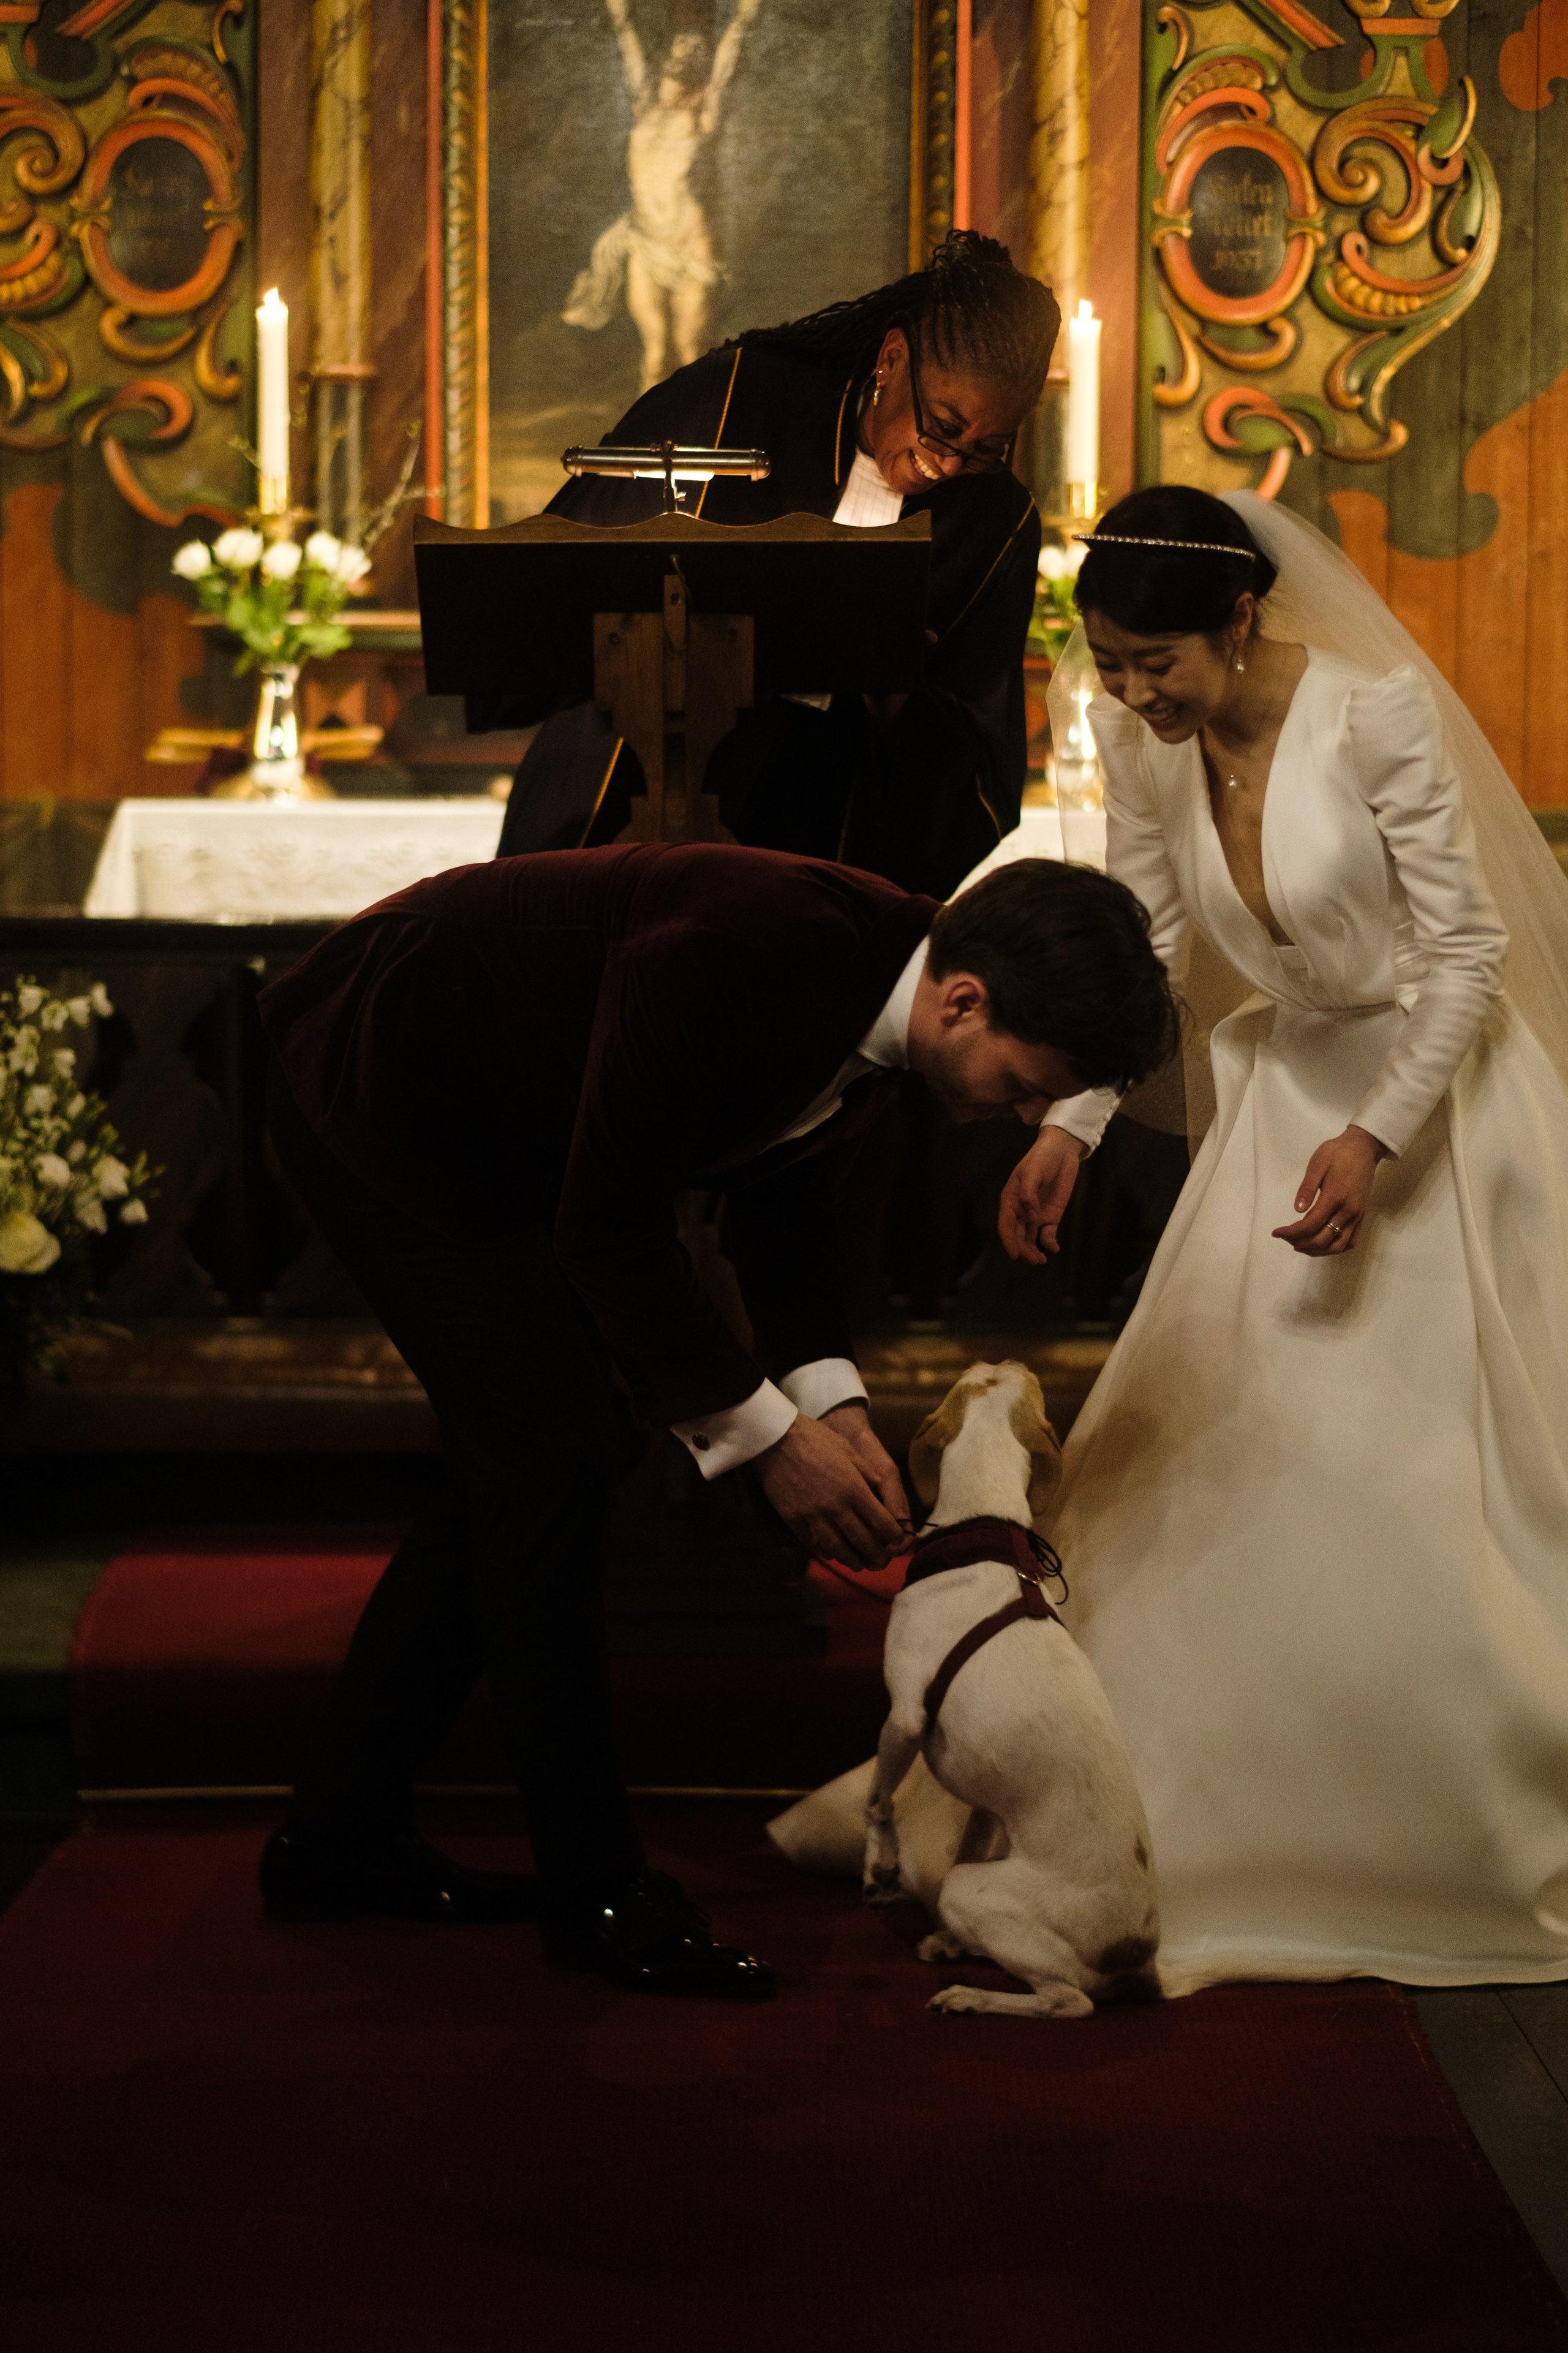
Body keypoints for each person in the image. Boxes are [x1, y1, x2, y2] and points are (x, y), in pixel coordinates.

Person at [254, 844, 1176, 1998]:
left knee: (545, 1458)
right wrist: (768, 1441)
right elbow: (607, 1224)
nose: (1026, 1112)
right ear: (964, 1001)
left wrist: (830, 1409)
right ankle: (596, 1897)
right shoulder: (746, 950)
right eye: (1027, 1081)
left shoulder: (901, 1002)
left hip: (513, 1127)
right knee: (550, 1459)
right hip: (383, 1086)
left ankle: (337, 1836)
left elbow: (777, 1206)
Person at [990, 484, 1568, 1990]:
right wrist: (1072, 1121)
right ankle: (1173, 1810)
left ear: (1236, 617)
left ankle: (1451, 1798)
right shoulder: (1138, 739)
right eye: (1104, 663)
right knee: (1220, 1462)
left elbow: (1463, 952)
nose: (1125, 693)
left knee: (1423, 1465)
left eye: (1148, 662)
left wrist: (1374, 1130)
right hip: (1274, 1106)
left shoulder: (1369, 716)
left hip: (1433, 1109)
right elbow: (1148, 948)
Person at [483, 232, 1059, 900]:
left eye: (988, 447)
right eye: (944, 425)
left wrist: (896, 688)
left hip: (815, 838)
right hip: (626, 790)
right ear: (892, 359)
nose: (953, 462)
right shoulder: (738, 397)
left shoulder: (997, 519)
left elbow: (979, 758)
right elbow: (563, 573)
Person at [563, 0, 764, 390]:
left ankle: (697, 445)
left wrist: (743, 18)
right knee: (654, 354)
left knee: (691, 352)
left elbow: (724, 69)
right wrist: (621, 18)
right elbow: (629, 55)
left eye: (690, 60)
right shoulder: (644, 109)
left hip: (690, 247)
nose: (677, 72)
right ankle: (645, 446)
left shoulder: (703, 115)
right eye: (672, 63)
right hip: (646, 243)